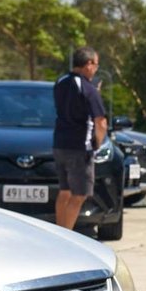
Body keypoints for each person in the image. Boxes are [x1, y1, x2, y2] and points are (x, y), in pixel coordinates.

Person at [52, 47, 108, 230]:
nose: (96, 69)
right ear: (89, 64)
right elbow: (100, 122)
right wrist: (97, 143)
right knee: (79, 195)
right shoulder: (88, 89)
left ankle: (59, 232)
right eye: (96, 65)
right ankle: (66, 236)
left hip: (59, 144)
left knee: (65, 191)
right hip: (79, 148)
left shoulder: (60, 82)